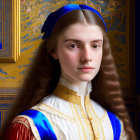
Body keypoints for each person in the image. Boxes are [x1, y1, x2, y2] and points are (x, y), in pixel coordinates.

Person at [0, 4, 136, 140]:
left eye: (95, 45)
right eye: (74, 45)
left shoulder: (113, 124)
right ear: (53, 51)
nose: (87, 57)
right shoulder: (32, 126)